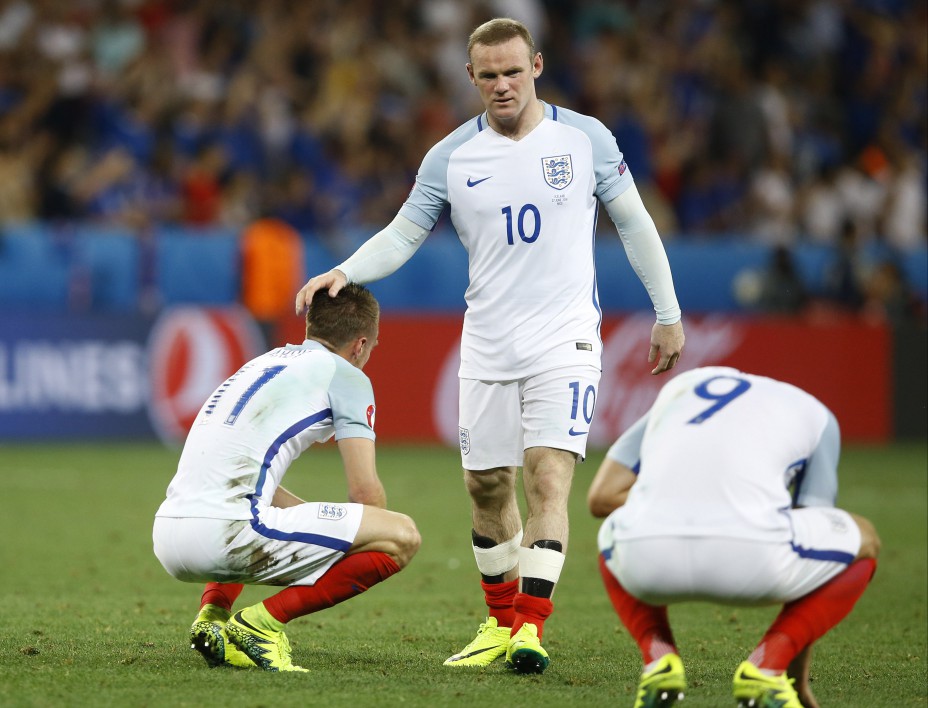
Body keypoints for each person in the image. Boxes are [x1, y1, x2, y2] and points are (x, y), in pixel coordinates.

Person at [295, 18, 685, 674]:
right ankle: (501, 624)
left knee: (547, 476)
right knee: (485, 486)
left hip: (565, 339)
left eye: (512, 71)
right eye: (488, 75)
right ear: (470, 78)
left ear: (535, 66)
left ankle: (531, 627)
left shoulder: (585, 139)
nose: (502, 85)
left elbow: (635, 223)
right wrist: (348, 271)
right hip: (488, 342)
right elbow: (403, 232)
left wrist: (667, 313)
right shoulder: (451, 157)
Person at [153, 284, 421, 673]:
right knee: (401, 536)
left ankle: (213, 617)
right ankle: (260, 625)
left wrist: (317, 518)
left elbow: (236, 472)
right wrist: (362, 537)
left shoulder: (260, 363)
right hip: (225, 534)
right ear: (361, 345)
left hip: (168, 536)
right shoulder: (345, 374)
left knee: (257, 504)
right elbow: (365, 493)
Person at [589, 366, 880, 707]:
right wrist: (796, 683)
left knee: (615, 530)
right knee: (865, 538)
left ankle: (658, 657)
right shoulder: (816, 414)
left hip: (647, 563)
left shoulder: (680, 391)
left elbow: (602, 497)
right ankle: (768, 666)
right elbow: (812, 521)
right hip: (753, 564)